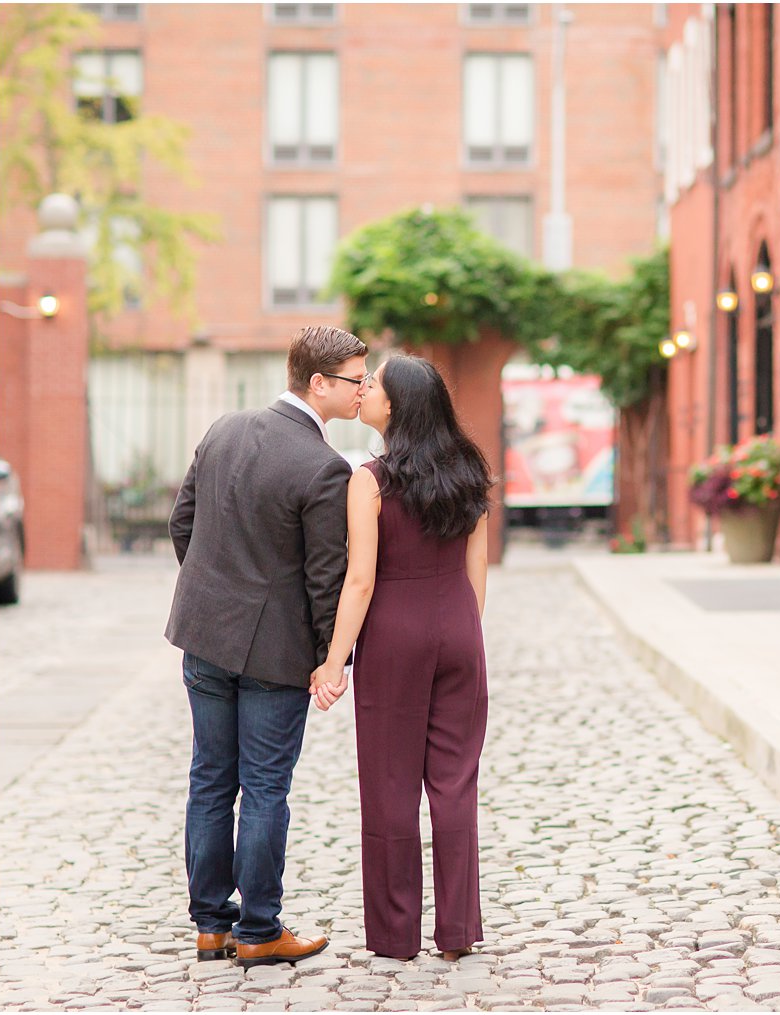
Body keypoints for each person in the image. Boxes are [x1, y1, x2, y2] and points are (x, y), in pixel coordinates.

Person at [166, 324, 368, 967]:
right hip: (274, 656)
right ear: (319, 383)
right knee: (264, 789)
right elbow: (324, 578)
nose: (364, 391)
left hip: (204, 637)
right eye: (355, 381)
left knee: (209, 779)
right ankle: (258, 929)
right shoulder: (324, 466)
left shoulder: (224, 428)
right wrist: (329, 660)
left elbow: (182, 524)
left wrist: (212, 594)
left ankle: (209, 926)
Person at [310, 354, 492, 962]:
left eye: (374, 387)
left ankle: (395, 936)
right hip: (459, 629)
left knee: (389, 786)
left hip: (393, 634)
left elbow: (359, 580)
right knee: (455, 782)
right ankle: (459, 931)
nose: (363, 393)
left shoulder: (371, 478)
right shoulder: (470, 469)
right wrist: (462, 630)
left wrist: (335, 662)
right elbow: (477, 570)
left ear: (400, 406)